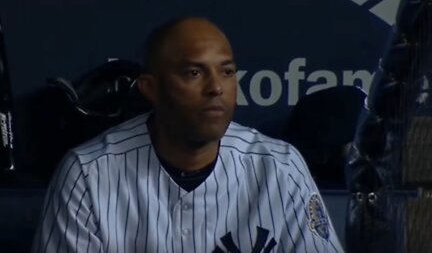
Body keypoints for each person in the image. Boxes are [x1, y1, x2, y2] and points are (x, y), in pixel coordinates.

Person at [32, 16, 344, 253]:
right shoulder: (88, 174)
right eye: (194, 73)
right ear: (150, 88)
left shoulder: (281, 168)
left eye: (227, 71)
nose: (216, 88)